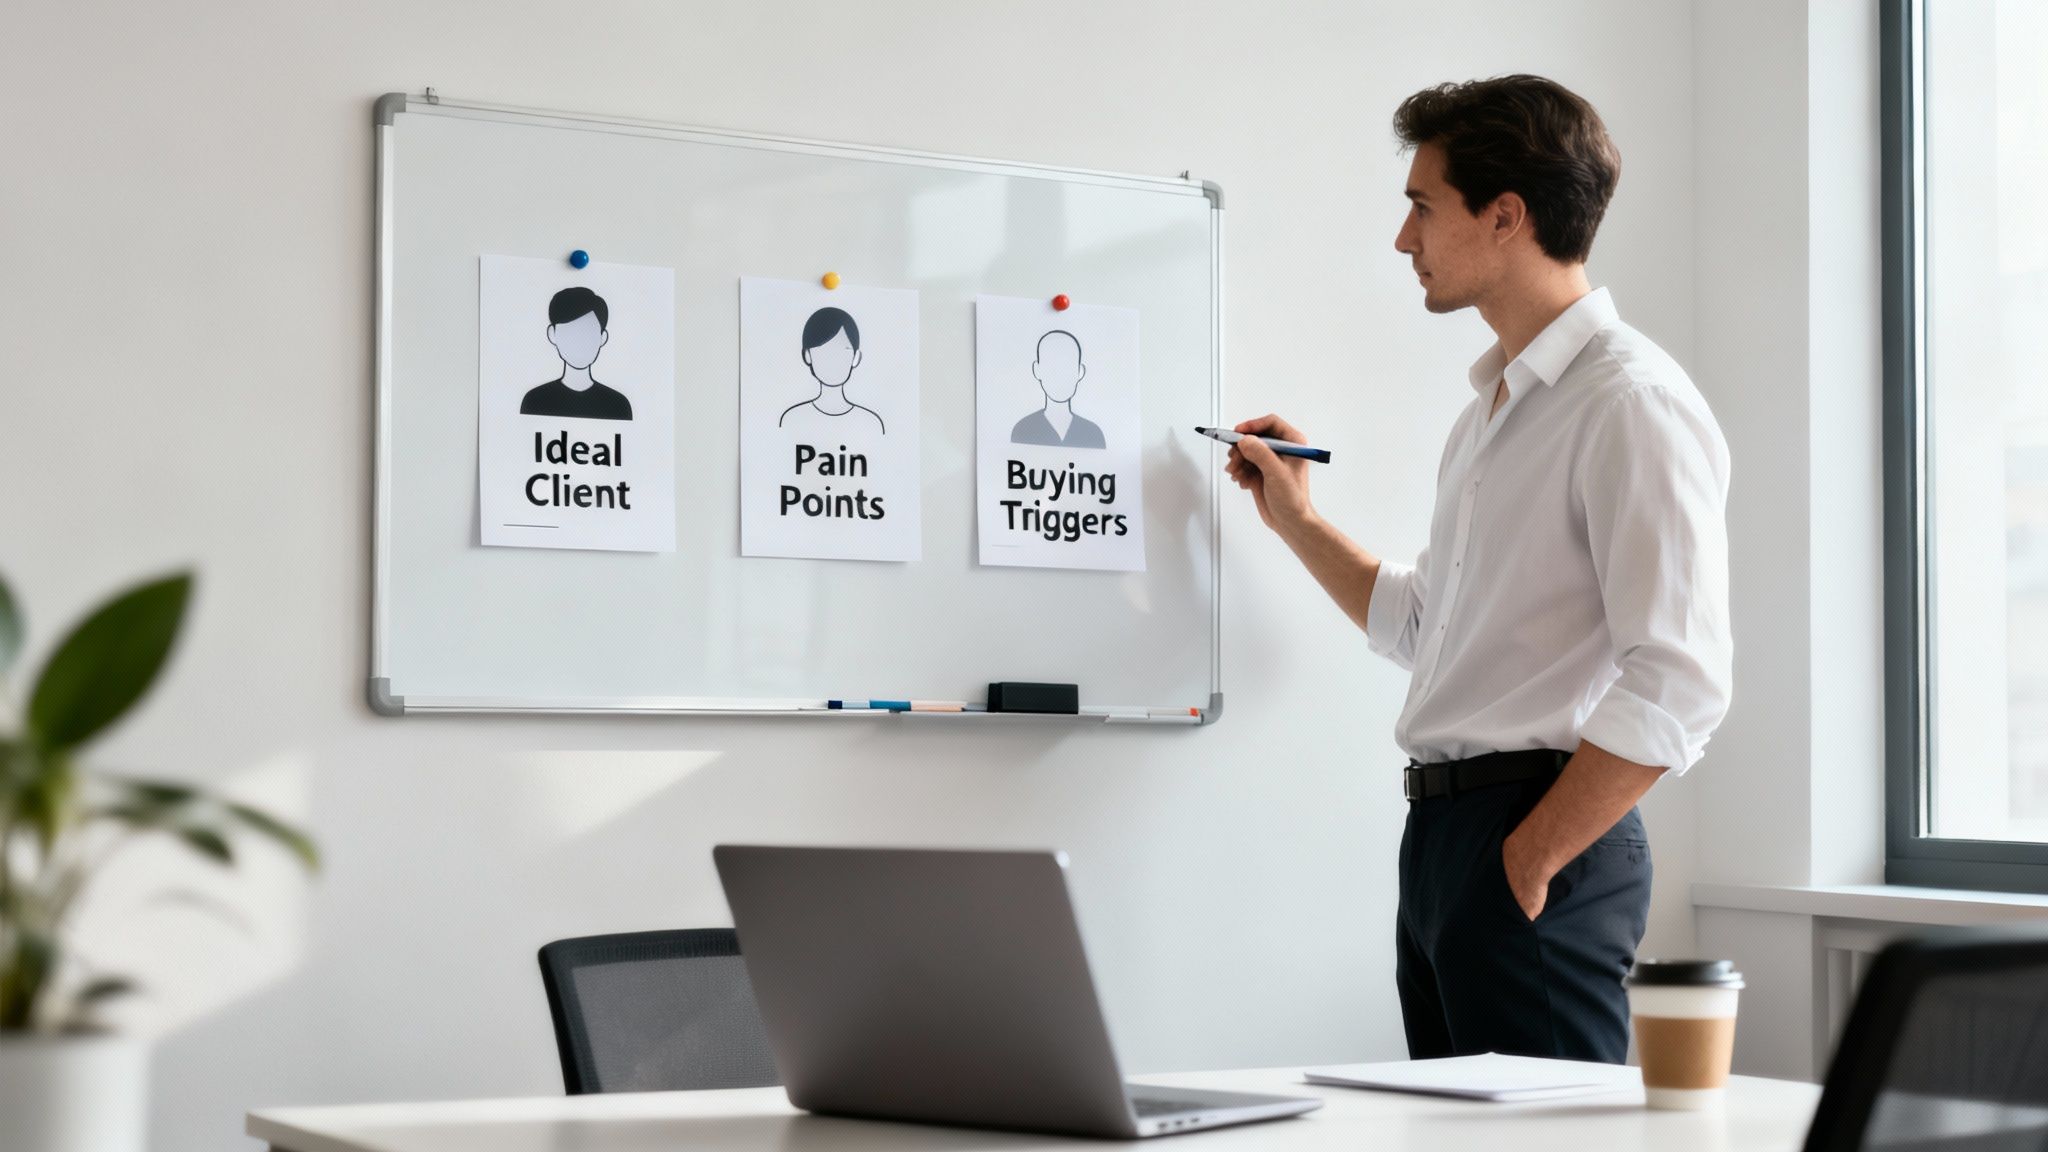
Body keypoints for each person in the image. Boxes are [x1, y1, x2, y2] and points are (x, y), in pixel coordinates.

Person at [1224, 75, 1732, 1064]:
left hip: (1533, 832)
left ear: (1505, 216)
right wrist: (1295, 517)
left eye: (1420, 204)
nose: (1401, 238)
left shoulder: (1627, 402)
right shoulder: (1489, 415)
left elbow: (1678, 678)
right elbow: (1427, 628)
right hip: (1445, 844)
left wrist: (1529, 857)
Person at [521, 287, 633, 421]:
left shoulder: (618, 406)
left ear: (602, 337)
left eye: (588, 332)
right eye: (570, 332)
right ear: (553, 334)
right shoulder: (535, 401)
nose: (579, 342)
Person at [781, 306, 885, 434]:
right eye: (823, 349)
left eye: (843, 350)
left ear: (855, 357)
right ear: (808, 355)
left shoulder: (870, 424)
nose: (833, 359)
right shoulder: (792, 419)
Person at [1011, 330, 1105, 449]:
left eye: (1067, 366)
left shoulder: (1093, 434)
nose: (1060, 376)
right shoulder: (1023, 430)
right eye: (1052, 366)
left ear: (1080, 371)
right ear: (1037, 370)